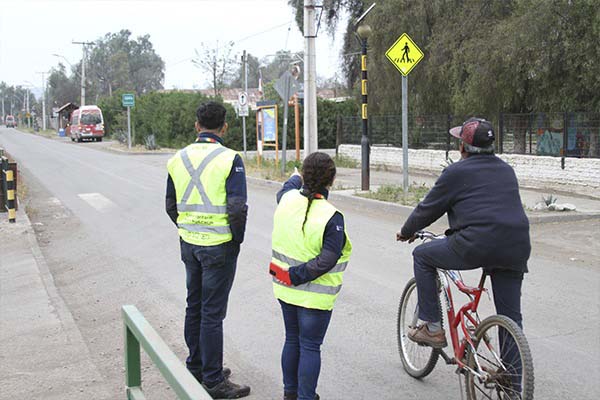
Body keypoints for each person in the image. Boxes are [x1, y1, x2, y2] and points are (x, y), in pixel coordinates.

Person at [397, 117, 531, 349]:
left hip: (476, 244)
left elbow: (427, 209)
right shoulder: (507, 170)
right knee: (511, 319)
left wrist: (406, 231)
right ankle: (514, 381)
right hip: (516, 246)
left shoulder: (456, 172)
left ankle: (432, 328)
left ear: (463, 147)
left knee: (422, 255)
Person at [166, 101, 250, 399]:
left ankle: (197, 367)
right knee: (212, 313)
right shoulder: (231, 159)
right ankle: (213, 381)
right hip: (219, 246)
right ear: (224, 126)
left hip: (189, 243)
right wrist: (235, 239)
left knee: (195, 306)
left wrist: (189, 227)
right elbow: (237, 208)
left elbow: (170, 205)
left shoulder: (177, 158)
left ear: (196, 125)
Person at [270, 152, 352, 400]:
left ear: (303, 175)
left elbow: (288, 187)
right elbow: (328, 259)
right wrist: (298, 275)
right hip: (314, 297)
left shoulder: (286, 200)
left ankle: (290, 394)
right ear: (332, 179)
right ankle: (306, 397)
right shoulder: (331, 216)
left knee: (292, 339)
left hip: (284, 287)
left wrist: (296, 178)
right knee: (309, 346)